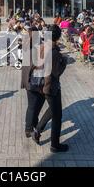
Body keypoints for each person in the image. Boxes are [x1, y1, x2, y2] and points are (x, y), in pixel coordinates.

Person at [30, 25, 69, 153]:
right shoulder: (54, 52)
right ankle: (54, 145)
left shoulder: (42, 46)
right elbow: (57, 72)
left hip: (40, 84)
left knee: (53, 110)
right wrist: (64, 62)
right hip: (50, 86)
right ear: (57, 37)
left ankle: (37, 130)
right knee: (57, 115)